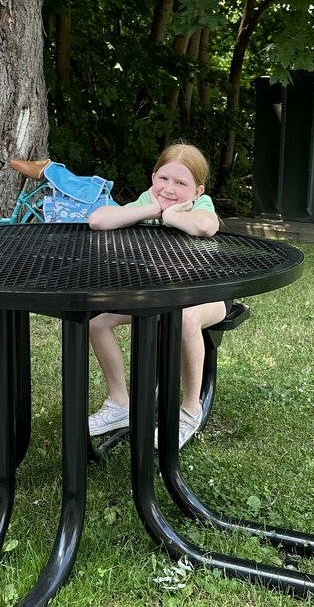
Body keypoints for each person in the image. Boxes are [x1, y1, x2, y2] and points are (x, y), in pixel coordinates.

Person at [85, 142, 226, 449]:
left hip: (209, 294)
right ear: (153, 177)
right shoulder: (149, 200)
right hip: (159, 297)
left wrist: (171, 215)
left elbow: (205, 226)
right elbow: (98, 220)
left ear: (198, 190)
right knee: (97, 323)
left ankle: (190, 410)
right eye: (163, 178)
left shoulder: (199, 205)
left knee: (186, 318)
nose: (169, 189)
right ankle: (120, 404)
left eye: (181, 183)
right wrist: (151, 209)